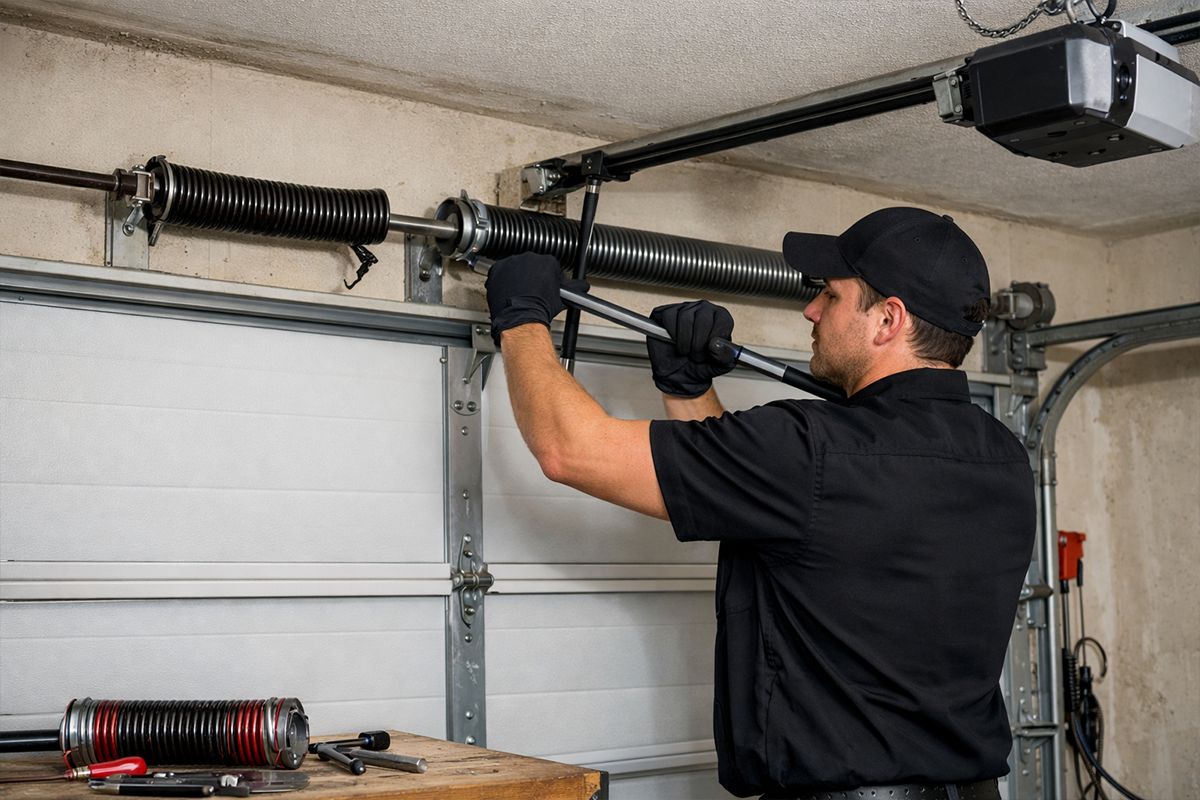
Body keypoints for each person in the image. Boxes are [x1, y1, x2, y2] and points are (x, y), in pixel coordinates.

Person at [484, 207, 1036, 799]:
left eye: (830, 295)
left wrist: (522, 318)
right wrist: (689, 389)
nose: (811, 311)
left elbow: (569, 451)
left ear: (887, 319)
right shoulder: (1002, 457)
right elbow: (789, 512)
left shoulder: (810, 450)